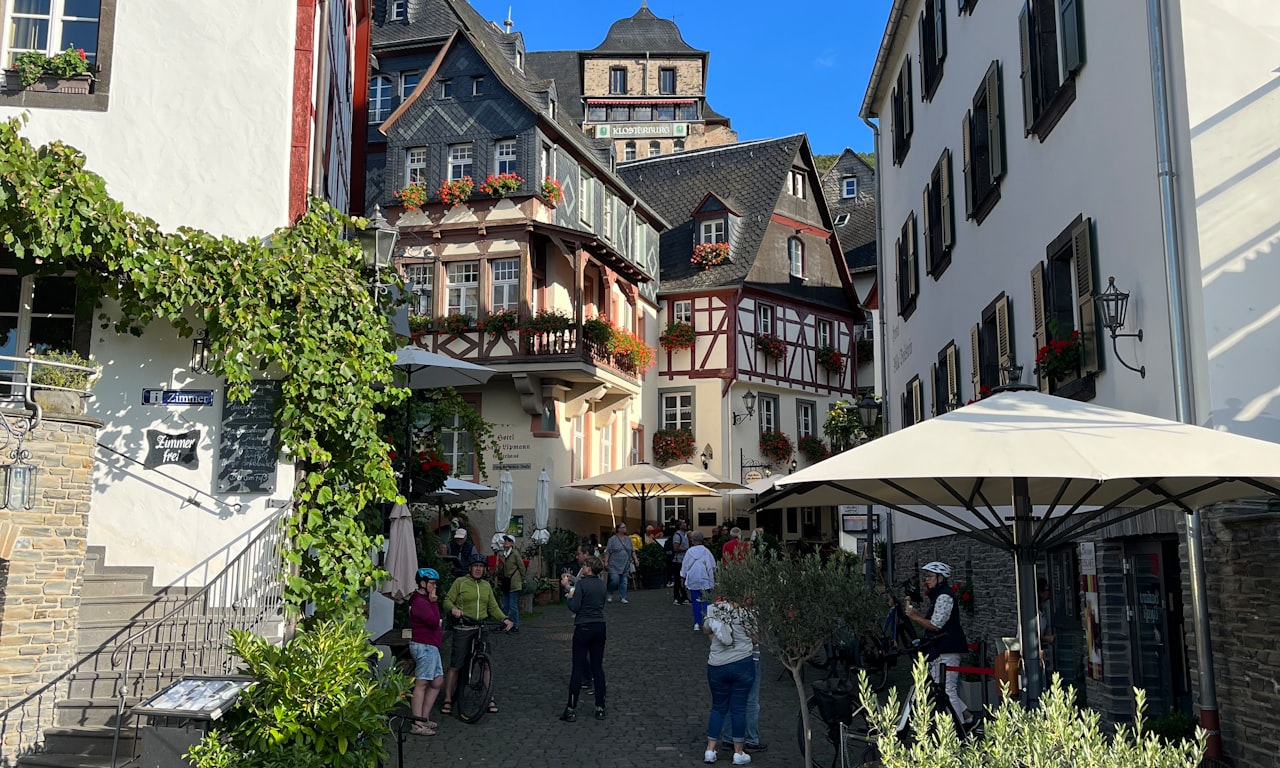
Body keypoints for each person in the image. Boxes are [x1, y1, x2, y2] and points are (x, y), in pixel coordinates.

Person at [440, 554, 512, 715]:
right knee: (456, 665)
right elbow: (447, 601)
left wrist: (505, 619)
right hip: (464, 627)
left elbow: (493, 607)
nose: (478, 569)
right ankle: (447, 699)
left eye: (481, 566)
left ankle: (489, 697)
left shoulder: (486, 586)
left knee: (486, 664)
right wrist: (454, 609)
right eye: (475, 566)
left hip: (481, 627)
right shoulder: (460, 582)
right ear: (470, 568)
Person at [904, 561, 972, 725]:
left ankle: (957, 730)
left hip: (947, 650)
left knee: (948, 691)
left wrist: (915, 616)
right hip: (940, 650)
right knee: (942, 689)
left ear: (940, 578)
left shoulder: (944, 597)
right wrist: (917, 615)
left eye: (929, 577)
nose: (926, 580)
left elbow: (936, 625)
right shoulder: (939, 595)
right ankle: (968, 718)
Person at [701, 600, 756, 765]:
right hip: (742, 663)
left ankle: (710, 750)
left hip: (717, 665)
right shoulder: (747, 613)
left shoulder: (713, 610)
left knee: (718, 708)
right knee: (738, 709)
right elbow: (756, 638)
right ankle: (738, 752)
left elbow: (705, 629)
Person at [558, 555, 608, 722]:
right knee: (597, 667)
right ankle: (600, 707)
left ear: (589, 568)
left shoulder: (582, 584)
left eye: (585, 565)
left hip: (584, 626)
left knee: (577, 668)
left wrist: (567, 591)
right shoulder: (601, 584)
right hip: (600, 626)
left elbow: (575, 606)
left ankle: (571, 708)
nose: (583, 567)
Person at [406, 568, 444, 735]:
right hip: (424, 645)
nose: (434, 587)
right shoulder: (421, 602)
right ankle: (417, 723)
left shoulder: (423, 599)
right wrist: (434, 602)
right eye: (432, 583)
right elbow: (434, 621)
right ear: (423, 583)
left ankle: (424, 718)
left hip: (431, 645)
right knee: (421, 684)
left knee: (437, 681)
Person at [680, 530, 717, 630]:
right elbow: (713, 566)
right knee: (706, 601)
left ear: (692, 540)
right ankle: (707, 622)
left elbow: (685, 566)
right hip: (705, 579)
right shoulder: (707, 551)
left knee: (695, 601)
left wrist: (682, 578)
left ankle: (697, 622)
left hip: (693, 579)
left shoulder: (689, 552)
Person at [495, 535, 526, 633]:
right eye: (505, 540)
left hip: (514, 583)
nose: (506, 542)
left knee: (513, 605)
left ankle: (515, 625)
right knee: (505, 605)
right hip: (506, 582)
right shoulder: (503, 554)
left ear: (512, 543)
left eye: (508, 540)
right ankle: (505, 623)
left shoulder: (515, 554)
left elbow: (521, 567)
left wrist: (523, 579)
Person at [603, 522, 637, 604]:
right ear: (619, 529)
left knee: (624, 581)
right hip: (614, 564)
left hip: (625, 564)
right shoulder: (612, 540)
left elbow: (632, 550)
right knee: (614, 580)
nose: (625, 528)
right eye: (623, 527)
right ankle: (610, 593)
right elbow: (608, 552)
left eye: (625, 527)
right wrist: (606, 561)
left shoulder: (628, 539)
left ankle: (623, 597)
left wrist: (635, 559)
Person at [671, 519, 691, 604]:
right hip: (678, 561)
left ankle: (684, 597)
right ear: (680, 526)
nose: (686, 524)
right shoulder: (677, 535)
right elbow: (675, 548)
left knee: (682, 579)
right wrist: (686, 549)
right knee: (678, 579)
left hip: (683, 560)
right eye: (684, 523)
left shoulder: (685, 535)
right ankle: (676, 597)